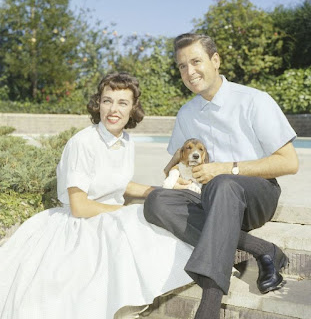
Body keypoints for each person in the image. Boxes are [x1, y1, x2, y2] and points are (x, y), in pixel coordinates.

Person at [0, 72, 194, 319]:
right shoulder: (83, 143)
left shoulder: (125, 141)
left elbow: (120, 184)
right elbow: (79, 206)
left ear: (133, 108)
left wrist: (161, 190)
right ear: (98, 104)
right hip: (79, 224)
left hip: (108, 217)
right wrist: (126, 211)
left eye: (122, 103)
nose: (114, 109)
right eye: (107, 101)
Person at [144, 33, 299, 319]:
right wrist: (177, 177)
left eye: (196, 61)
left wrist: (228, 168)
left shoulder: (254, 100)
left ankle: (210, 304)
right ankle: (262, 249)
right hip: (210, 197)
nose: (189, 72)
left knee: (222, 182)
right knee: (156, 201)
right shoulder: (186, 113)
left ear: (215, 61)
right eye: (181, 66)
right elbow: (176, 162)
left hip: (257, 196)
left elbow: (290, 162)